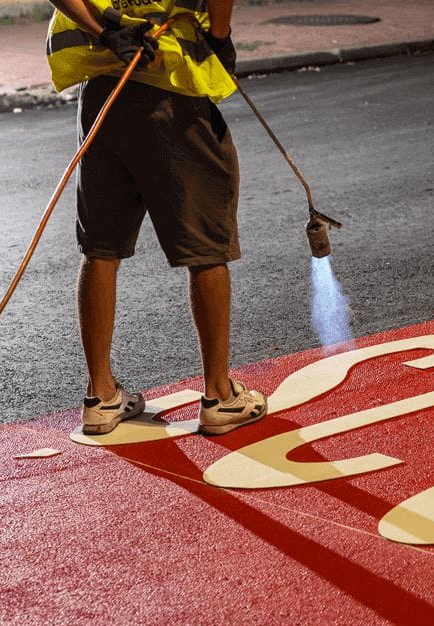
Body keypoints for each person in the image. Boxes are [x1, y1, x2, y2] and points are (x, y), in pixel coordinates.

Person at [43, 0, 266, 436]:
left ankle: (101, 396)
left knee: (101, 247)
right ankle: (219, 396)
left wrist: (107, 33)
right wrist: (220, 37)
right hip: (172, 90)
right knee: (206, 247)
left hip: (105, 87)